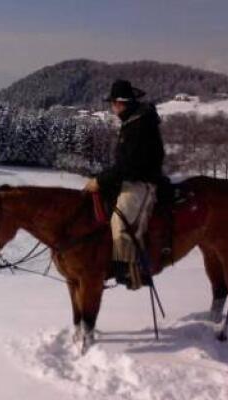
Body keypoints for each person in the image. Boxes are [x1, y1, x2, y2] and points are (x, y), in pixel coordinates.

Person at [84, 79, 165, 290]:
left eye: (113, 103)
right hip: (129, 177)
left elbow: (129, 164)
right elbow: (123, 163)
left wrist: (100, 180)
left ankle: (132, 273)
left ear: (121, 103)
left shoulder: (139, 124)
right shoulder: (132, 121)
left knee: (120, 225)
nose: (112, 107)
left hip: (142, 181)